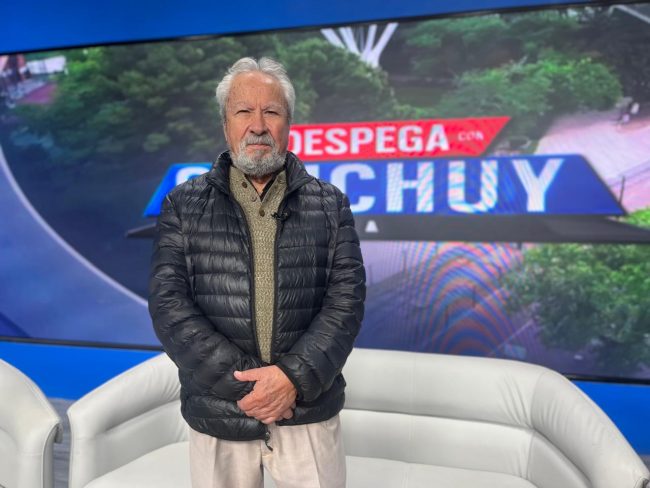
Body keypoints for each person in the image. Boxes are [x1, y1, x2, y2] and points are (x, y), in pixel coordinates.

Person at [148, 56, 366, 488]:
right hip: (219, 413)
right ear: (225, 125)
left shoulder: (331, 204)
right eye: (244, 111)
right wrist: (251, 388)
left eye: (272, 112)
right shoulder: (182, 205)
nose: (258, 125)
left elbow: (346, 303)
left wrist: (291, 380)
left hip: (305, 409)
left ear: (289, 124)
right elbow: (169, 307)